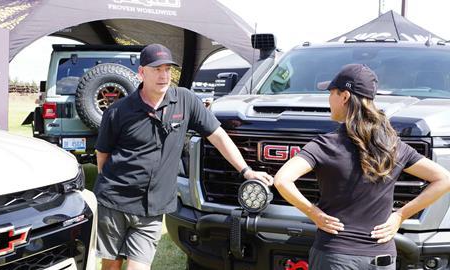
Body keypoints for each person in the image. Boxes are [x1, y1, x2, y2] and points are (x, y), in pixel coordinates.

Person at [94, 43, 273, 270]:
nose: (164, 75)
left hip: (153, 208)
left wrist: (247, 171)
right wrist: (114, 188)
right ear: (142, 72)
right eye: (157, 69)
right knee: (111, 266)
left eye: (168, 69)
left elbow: (218, 136)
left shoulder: (185, 100)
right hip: (115, 202)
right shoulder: (118, 111)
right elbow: (103, 155)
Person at [274, 64, 450, 269]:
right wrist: (400, 215)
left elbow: (282, 179)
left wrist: (314, 213)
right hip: (381, 258)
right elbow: (444, 178)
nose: (329, 99)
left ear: (345, 96)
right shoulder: (392, 145)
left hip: (335, 257)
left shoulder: (325, 144)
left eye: (331, 93)